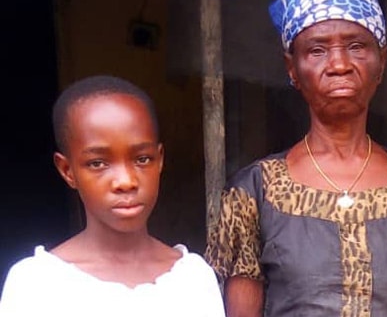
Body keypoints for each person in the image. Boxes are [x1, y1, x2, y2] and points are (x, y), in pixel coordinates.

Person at [206, 0, 387, 317]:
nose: (339, 65)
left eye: (357, 46)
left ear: (381, 61)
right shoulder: (255, 191)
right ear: (292, 68)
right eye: (317, 50)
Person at [0, 76, 225, 317]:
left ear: (160, 160)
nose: (126, 181)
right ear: (68, 171)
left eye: (142, 159)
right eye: (97, 163)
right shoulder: (36, 285)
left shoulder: (193, 278)